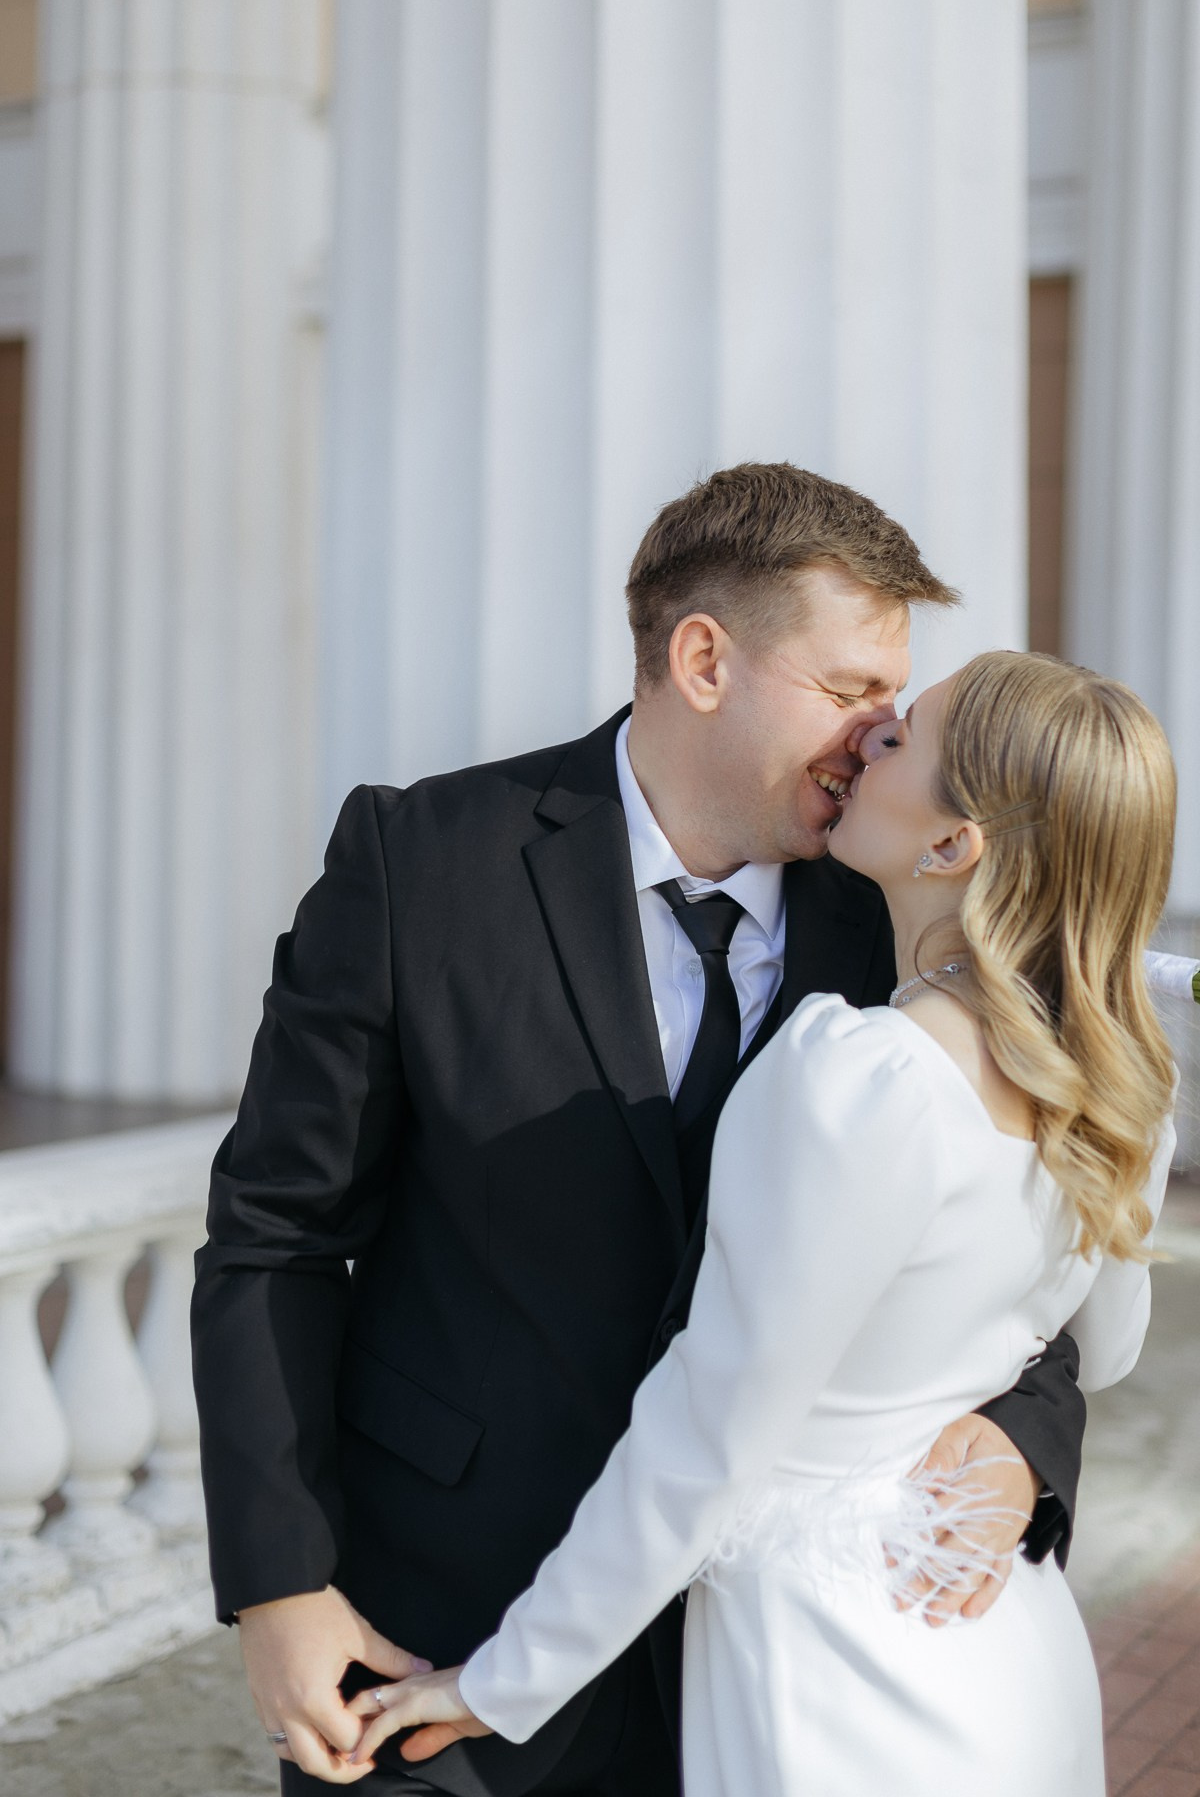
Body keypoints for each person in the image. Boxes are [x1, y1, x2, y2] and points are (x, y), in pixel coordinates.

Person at [191, 465, 1088, 1795]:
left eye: (894, 701)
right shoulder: (418, 860)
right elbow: (274, 1234)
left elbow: (1028, 1228)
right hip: (436, 1633)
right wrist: (281, 1586)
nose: (880, 734)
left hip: (783, 1668)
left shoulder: (909, 918)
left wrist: (1025, 1435)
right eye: (849, 693)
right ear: (705, 658)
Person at [347, 649, 1177, 1795]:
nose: (869, 732)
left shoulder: (862, 1077)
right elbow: (1107, 1343)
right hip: (1004, 1655)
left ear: (952, 847)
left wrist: (503, 1682)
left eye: (903, 738)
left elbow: (710, 1426)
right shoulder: (1121, 1084)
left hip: (837, 1671)